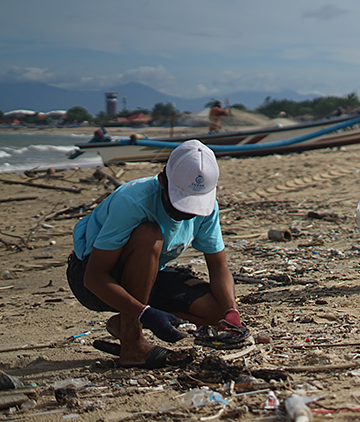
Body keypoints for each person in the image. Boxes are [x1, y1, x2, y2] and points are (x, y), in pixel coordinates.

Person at [66, 140, 241, 368]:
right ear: (162, 182)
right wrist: (144, 313)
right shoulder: (133, 201)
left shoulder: (208, 208)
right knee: (149, 235)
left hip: (148, 272)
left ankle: (123, 323)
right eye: (180, 205)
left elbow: (218, 267)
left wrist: (231, 312)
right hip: (92, 277)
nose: (187, 214)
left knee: (215, 311)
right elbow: (94, 277)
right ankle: (133, 345)